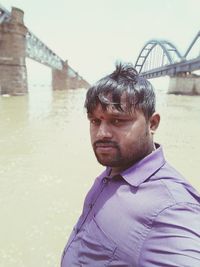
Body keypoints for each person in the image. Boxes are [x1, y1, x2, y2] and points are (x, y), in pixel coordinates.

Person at [61, 63, 200, 267]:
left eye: (117, 121)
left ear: (152, 124)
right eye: (95, 121)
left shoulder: (171, 209)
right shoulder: (115, 170)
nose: (101, 133)